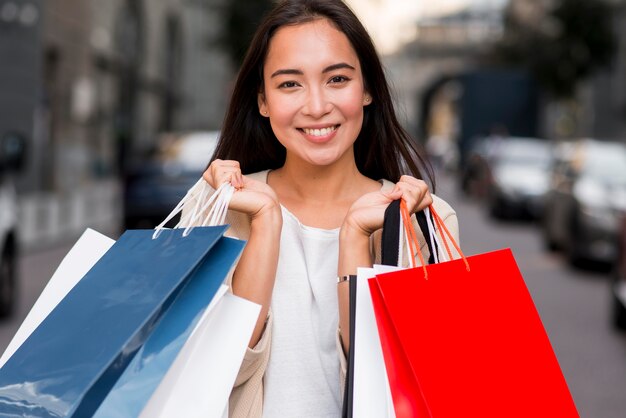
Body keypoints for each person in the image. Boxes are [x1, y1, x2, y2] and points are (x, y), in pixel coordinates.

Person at [185, 1, 459, 416]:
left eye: (337, 79)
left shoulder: (425, 218)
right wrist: (264, 226)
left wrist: (354, 239)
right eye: (290, 84)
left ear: (366, 89)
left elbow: (404, 384)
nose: (316, 106)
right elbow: (206, 374)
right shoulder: (217, 208)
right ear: (263, 101)